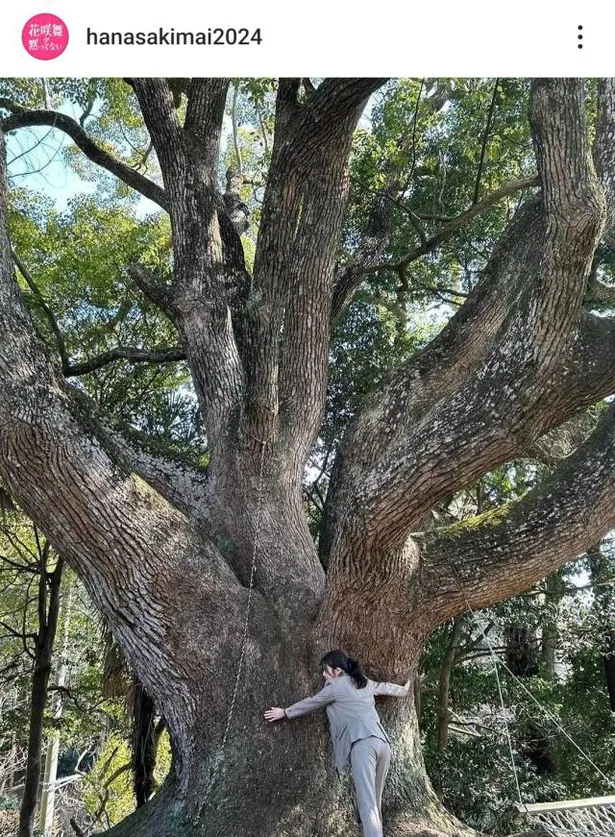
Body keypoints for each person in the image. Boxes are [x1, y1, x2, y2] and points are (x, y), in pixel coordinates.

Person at [264, 650, 410, 837]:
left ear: (338, 670)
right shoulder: (363, 682)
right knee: (374, 803)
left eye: (326, 671)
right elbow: (385, 687)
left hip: (363, 745)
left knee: (368, 806)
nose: (324, 675)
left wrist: (285, 711)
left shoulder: (335, 688)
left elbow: (311, 702)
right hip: (383, 743)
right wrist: (404, 690)